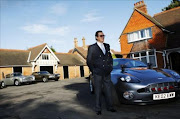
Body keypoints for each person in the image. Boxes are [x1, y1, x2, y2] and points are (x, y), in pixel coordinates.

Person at [87, 30, 116, 115]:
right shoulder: (92, 47)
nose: (102, 37)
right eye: (101, 36)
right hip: (98, 73)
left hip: (107, 72)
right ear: (96, 37)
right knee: (98, 91)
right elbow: (89, 61)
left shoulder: (107, 46)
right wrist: (94, 70)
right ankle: (98, 109)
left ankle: (110, 107)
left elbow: (110, 58)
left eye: (103, 35)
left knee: (108, 90)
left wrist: (110, 67)